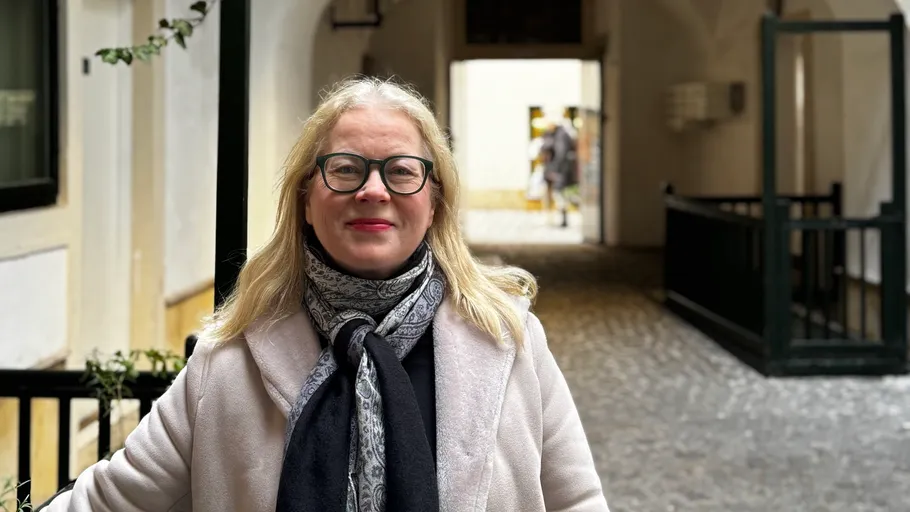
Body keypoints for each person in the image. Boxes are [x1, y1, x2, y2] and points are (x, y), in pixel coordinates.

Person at [41, 77, 609, 511]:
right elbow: (108, 501)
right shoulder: (228, 359)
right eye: (345, 169)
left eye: (401, 171)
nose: (372, 190)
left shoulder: (509, 339)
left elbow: (576, 501)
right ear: (307, 198)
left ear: (434, 199)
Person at [540, 118, 580, 228]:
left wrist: (554, 170)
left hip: (558, 171)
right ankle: (552, 218)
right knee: (556, 194)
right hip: (553, 169)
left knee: (560, 194)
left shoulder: (561, 135)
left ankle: (563, 218)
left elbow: (561, 153)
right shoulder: (550, 134)